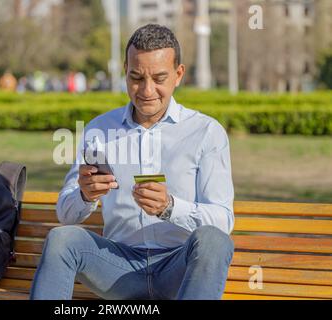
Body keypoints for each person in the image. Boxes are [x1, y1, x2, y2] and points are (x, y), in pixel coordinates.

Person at [30, 24, 235, 300]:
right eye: (136, 77)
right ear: (125, 70)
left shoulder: (206, 132)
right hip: (117, 268)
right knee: (61, 239)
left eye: (159, 78)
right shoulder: (98, 130)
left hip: (178, 268)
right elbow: (66, 215)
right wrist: (84, 194)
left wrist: (171, 207)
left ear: (178, 75)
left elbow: (223, 221)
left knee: (213, 240)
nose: (147, 90)